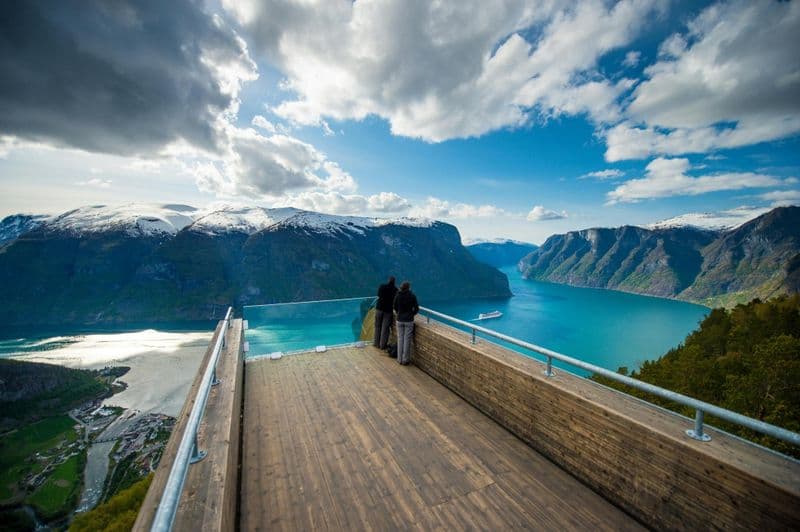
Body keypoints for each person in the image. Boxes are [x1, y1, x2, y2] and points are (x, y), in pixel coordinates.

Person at [393, 281, 419, 365]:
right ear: (408, 287)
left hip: (399, 319)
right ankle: (405, 360)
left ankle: (399, 359)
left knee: (400, 339)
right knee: (407, 340)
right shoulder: (412, 296)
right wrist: (412, 314)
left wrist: (398, 313)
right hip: (408, 320)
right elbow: (416, 308)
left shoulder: (398, 295)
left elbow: (395, 306)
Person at [374, 276, 397, 350]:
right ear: (394, 282)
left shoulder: (382, 286)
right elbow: (395, 301)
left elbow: (378, 295)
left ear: (388, 280)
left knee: (377, 326)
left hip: (379, 309)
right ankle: (382, 345)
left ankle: (376, 343)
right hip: (388, 311)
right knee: (385, 328)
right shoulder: (395, 290)